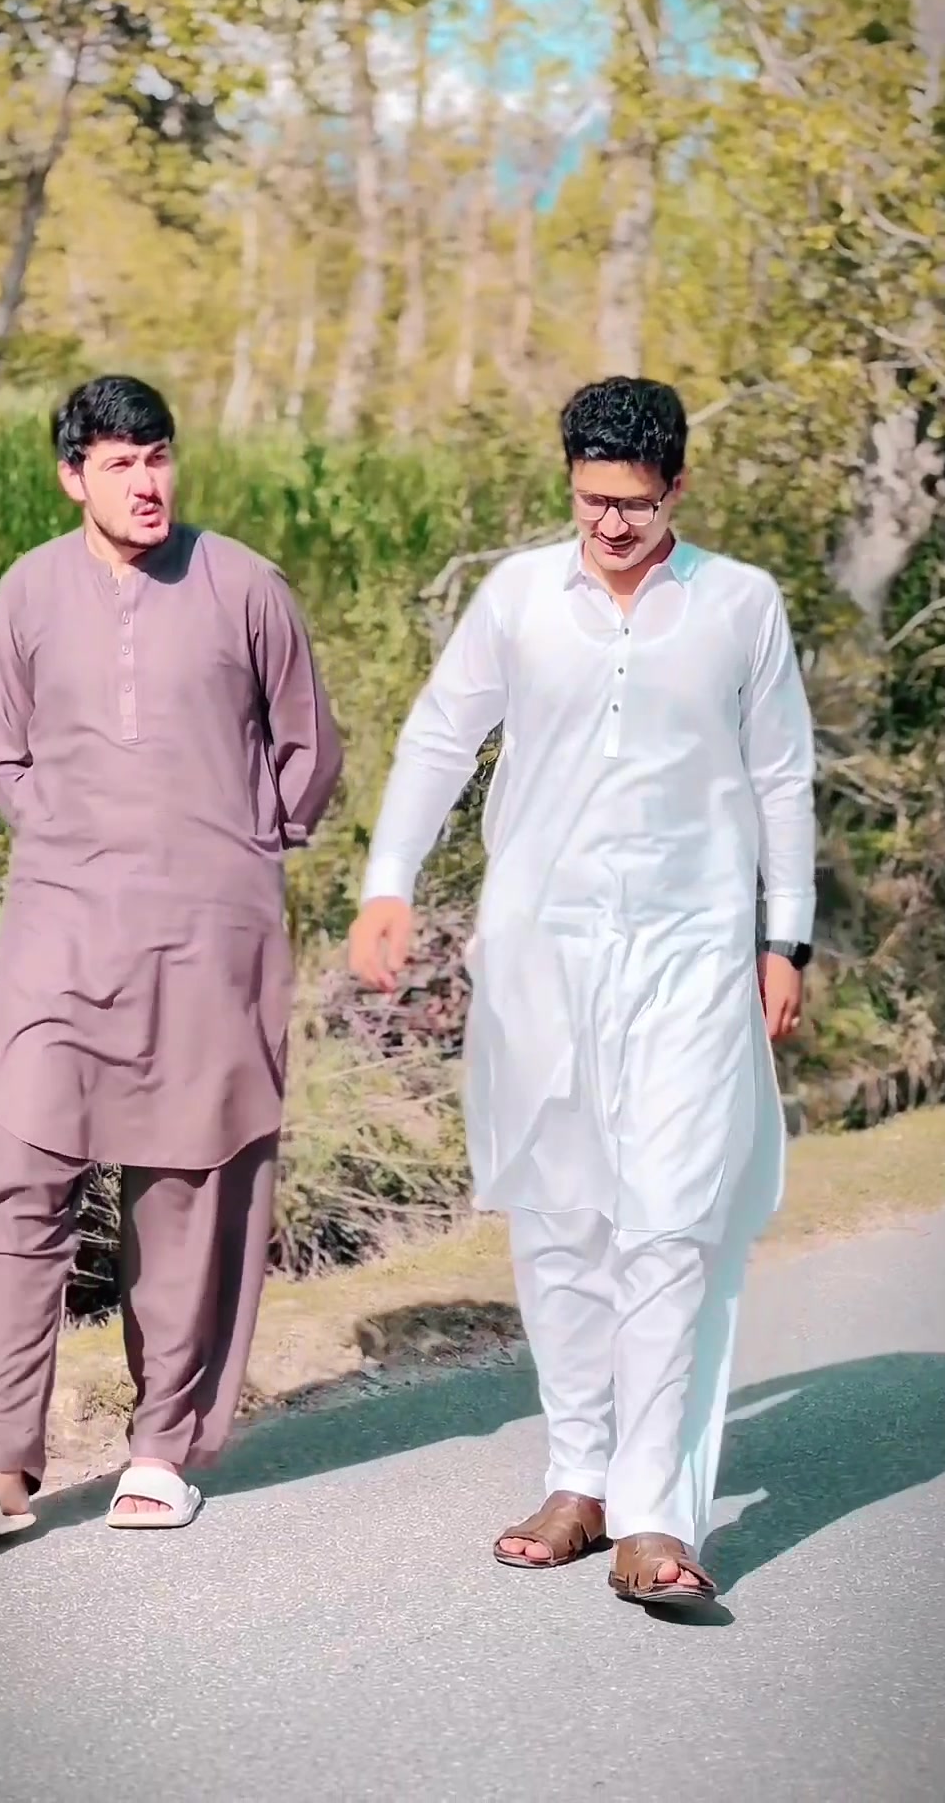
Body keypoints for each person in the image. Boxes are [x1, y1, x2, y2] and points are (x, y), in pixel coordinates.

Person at [348, 377, 814, 1605]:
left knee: (667, 1224)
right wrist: (389, 883)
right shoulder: (517, 597)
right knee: (560, 1221)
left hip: (690, 954)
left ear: (679, 488)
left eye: (635, 504)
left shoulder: (740, 604)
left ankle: (656, 1513)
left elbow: (782, 778)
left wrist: (788, 938)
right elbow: (440, 737)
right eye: (591, 499)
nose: (611, 524)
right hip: (538, 954)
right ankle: (578, 1479)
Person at [0, 375, 343, 1549]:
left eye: (158, 458)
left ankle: (161, 1449)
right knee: (18, 1180)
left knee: (187, 1190)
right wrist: (71, 847)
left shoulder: (244, 584)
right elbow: (8, 753)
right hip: (60, 925)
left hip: (209, 935)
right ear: (72, 477)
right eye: (119, 464)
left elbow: (308, 748)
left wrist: (236, 853)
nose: (147, 484)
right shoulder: (28, 591)